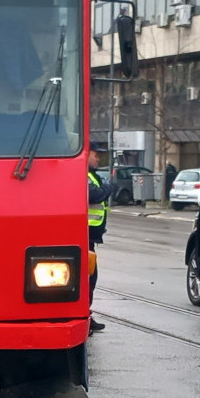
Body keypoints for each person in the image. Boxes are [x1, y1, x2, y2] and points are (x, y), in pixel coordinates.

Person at [88, 142, 112, 334]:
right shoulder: (83, 175)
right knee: (89, 277)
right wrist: (107, 186)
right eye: (96, 155)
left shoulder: (91, 175)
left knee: (90, 277)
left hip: (89, 235)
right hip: (83, 235)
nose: (98, 159)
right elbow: (95, 195)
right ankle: (85, 317)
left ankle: (86, 316)